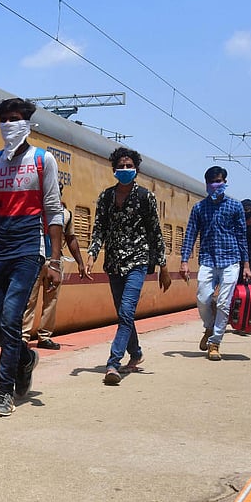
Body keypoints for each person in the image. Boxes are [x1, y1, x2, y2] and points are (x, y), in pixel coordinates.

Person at [0, 98, 63, 417]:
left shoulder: (42, 160)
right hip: (0, 249)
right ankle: (25, 358)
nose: (9, 125)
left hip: (29, 249)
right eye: (4, 120)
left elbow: (54, 212)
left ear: (27, 123)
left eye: (15, 119)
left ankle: (3, 390)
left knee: (11, 319)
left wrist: (54, 260)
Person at [87, 147, 170, 384]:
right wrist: (92, 254)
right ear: (114, 169)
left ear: (136, 169)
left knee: (126, 312)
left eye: (129, 166)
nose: (125, 169)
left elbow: (155, 233)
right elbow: (99, 229)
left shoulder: (146, 197)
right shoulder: (105, 197)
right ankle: (136, 353)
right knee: (123, 313)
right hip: (113, 263)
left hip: (138, 261)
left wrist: (163, 267)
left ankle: (113, 363)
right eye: (121, 166)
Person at [179, 166, 251, 361]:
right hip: (208, 260)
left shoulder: (235, 207)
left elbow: (241, 237)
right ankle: (209, 327)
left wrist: (246, 264)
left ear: (225, 182)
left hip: (231, 260)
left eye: (218, 181)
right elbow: (190, 235)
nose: (215, 185)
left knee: (223, 303)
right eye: (211, 182)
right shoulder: (199, 208)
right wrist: (184, 261)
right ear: (206, 184)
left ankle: (215, 343)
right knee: (203, 299)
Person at [21, 183, 87, 350]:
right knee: (29, 299)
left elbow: (71, 238)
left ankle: (44, 336)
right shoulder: (33, 212)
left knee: (51, 301)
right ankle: (22, 336)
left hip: (54, 263)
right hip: (33, 261)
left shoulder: (65, 215)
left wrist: (80, 262)